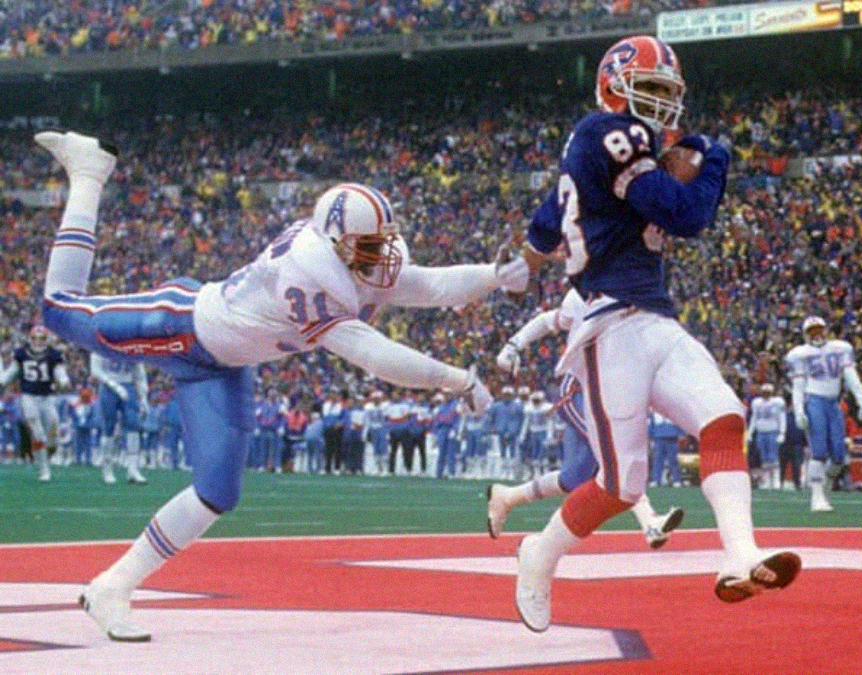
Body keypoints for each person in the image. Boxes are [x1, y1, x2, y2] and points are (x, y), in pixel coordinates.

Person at [35, 130, 527, 642]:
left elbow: (428, 284)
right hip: (179, 326)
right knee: (59, 309)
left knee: (216, 493)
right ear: (336, 242)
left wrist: (494, 276)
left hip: (223, 365)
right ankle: (89, 173)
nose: (382, 256)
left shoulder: (349, 256)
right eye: (369, 246)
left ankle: (112, 587)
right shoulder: (309, 273)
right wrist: (456, 379)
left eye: (382, 242)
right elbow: (372, 354)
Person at [512, 35, 801, 632]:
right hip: (609, 325)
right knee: (622, 487)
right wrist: (711, 156)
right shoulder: (604, 130)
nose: (661, 106)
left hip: (655, 316)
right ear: (613, 86)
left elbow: (543, 229)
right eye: (649, 90)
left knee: (723, 417)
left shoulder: (591, 150)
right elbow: (687, 214)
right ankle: (538, 555)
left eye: (669, 94)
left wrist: (521, 262)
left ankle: (739, 555)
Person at [490, 288, 683, 549]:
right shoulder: (587, 293)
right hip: (579, 390)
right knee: (615, 452)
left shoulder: (639, 292)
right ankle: (650, 522)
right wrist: (513, 345)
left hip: (610, 391)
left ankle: (508, 497)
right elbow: (548, 321)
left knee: (577, 475)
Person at [786, 315, 862, 512]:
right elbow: (798, 386)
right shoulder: (800, 354)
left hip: (834, 403)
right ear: (805, 335)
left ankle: (823, 486)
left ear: (825, 329)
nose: (816, 333)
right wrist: (799, 410)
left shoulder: (840, 348)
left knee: (839, 456)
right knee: (819, 452)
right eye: (811, 330)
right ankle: (816, 496)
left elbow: (851, 376)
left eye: (819, 329)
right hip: (814, 401)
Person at [0, 324, 71, 481]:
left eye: (42, 338)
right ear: (30, 339)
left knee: (53, 435)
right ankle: (44, 469)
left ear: (47, 339)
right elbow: (12, 371)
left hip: (47, 398)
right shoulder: (21, 354)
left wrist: (64, 380)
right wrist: (2, 381)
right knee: (38, 433)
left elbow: (60, 373)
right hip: (29, 397)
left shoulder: (54, 355)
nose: (38, 342)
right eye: (35, 338)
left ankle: (44, 457)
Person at [90, 352, 149, 484]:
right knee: (108, 427)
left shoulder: (130, 344)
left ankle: (133, 469)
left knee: (133, 424)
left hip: (128, 385)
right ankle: (107, 469)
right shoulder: (101, 342)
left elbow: (139, 372)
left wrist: (143, 396)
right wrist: (114, 385)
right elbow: (96, 370)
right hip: (108, 387)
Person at [747, 383, 787, 489]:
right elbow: (754, 418)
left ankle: (776, 480)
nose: (766, 394)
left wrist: (782, 432)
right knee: (764, 458)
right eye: (764, 392)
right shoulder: (757, 403)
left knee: (773, 457)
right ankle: (766, 481)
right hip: (761, 432)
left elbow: (782, 418)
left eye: (768, 392)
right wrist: (750, 432)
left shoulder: (777, 402)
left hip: (772, 431)